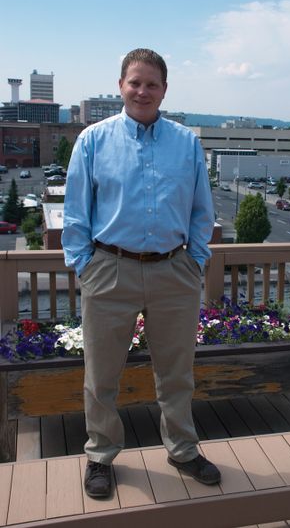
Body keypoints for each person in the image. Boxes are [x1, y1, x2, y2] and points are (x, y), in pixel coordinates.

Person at [62, 48, 221, 498]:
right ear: (120, 86)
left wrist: (195, 261)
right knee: (102, 374)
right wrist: (85, 266)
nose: (143, 91)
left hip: (175, 271)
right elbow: (76, 214)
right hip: (110, 270)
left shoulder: (186, 143)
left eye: (152, 83)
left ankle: (183, 450)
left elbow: (200, 210)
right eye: (135, 82)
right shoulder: (93, 140)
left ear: (164, 90)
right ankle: (100, 455)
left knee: (176, 373)